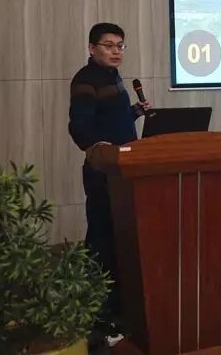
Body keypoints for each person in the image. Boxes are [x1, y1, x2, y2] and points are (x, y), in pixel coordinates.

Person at [68, 23, 151, 345]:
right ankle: (99, 315)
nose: (116, 51)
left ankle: (116, 305)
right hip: (103, 172)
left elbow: (111, 121)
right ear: (92, 48)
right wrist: (97, 149)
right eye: (108, 45)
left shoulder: (112, 77)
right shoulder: (86, 80)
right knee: (102, 239)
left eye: (120, 45)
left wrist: (135, 112)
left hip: (123, 169)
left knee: (117, 238)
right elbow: (79, 126)